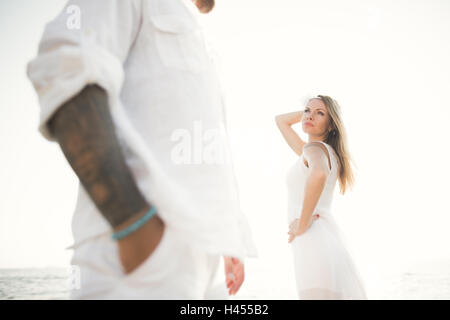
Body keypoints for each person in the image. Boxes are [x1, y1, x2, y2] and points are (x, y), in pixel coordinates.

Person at [27, 0, 257, 299]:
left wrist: (228, 237)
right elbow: (65, 70)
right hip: (135, 264)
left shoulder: (195, 31)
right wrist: (135, 229)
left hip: (196, 264)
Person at [275, 95, 367, 299]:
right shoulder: (323, 151)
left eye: (320, 113)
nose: (309, 116)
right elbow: (280, 120)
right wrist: (313, 113)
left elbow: (318, 174)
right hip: (324, 239)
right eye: (307, 111)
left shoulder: (313, 149)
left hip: (313, 240)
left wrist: (302, 223)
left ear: (331, 124)